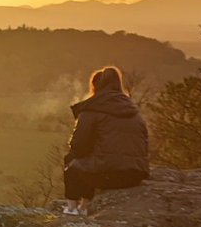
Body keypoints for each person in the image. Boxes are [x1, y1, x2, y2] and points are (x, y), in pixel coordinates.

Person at [62, 65, 150, 216]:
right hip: (135, 175)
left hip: (109, 175)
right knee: (91, 162)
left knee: (72, 161)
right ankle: (84, 206)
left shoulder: (91, 109)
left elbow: (78, 146)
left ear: (95, 87)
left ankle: (73, 209)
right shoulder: (134, 111)